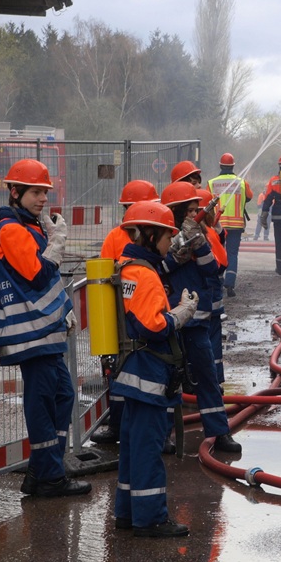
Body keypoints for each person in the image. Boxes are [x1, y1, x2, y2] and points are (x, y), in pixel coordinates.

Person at [0, 159, 91, 497]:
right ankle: (50, 477)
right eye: (36, 192)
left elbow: (42, 283)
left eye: (45, 192)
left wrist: (63, 309)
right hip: (31, 333)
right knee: (43, 399)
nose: (43, 199)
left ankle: (43, 470)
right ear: (15, 192)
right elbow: (37, 275)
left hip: (44, 328)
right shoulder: (11, 230)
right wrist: (56, 243)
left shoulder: (26, 227)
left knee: (62, 395)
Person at [110, 200, 197, 537]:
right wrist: (181, 314)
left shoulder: (126, 266)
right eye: (167, 236)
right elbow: (153, 327)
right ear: (150, 234)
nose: (170, 242)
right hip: (149, 373)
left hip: (131, 371)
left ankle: (127, 512)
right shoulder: (144, 274)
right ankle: (150, 519)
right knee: (147, 448)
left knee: (133, 445)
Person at [160, 182, 242, 453]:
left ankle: (219, 433)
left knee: (207, 376)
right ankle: (164, 435)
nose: (196, 214)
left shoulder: (199, 234)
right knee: (169, 379)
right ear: (175, 211)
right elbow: (158, 270)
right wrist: (177, 255)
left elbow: (211, 269)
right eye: (190, 210)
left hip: (197, 321)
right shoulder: (162, 235)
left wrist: (198, 244)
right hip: (170, 319)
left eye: (197, 209)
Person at [91, 179, 161, 445]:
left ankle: (154, 430)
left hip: (141, 314)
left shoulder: (150, 233)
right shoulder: (117, 237)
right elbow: (106, 278)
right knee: (117, 372)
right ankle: (118, 425)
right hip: (122, 317)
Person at [207, 153, 253, 297]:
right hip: (235, 225)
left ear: (220, 165)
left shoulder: (211, 183)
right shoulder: (242, 182)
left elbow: (206, 201)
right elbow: (249, 197)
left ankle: (218, 282)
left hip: (217, 225)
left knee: (217, 253)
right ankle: (230, 284)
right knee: (232, 254)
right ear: (233, 166)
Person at [196, 188, 228, 389]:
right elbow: (222, 262)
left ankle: (208, 381)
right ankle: (214, 380)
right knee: (211, 339)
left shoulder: (204, 233)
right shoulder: (207, 233)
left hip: (203, 300)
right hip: (211, 299)